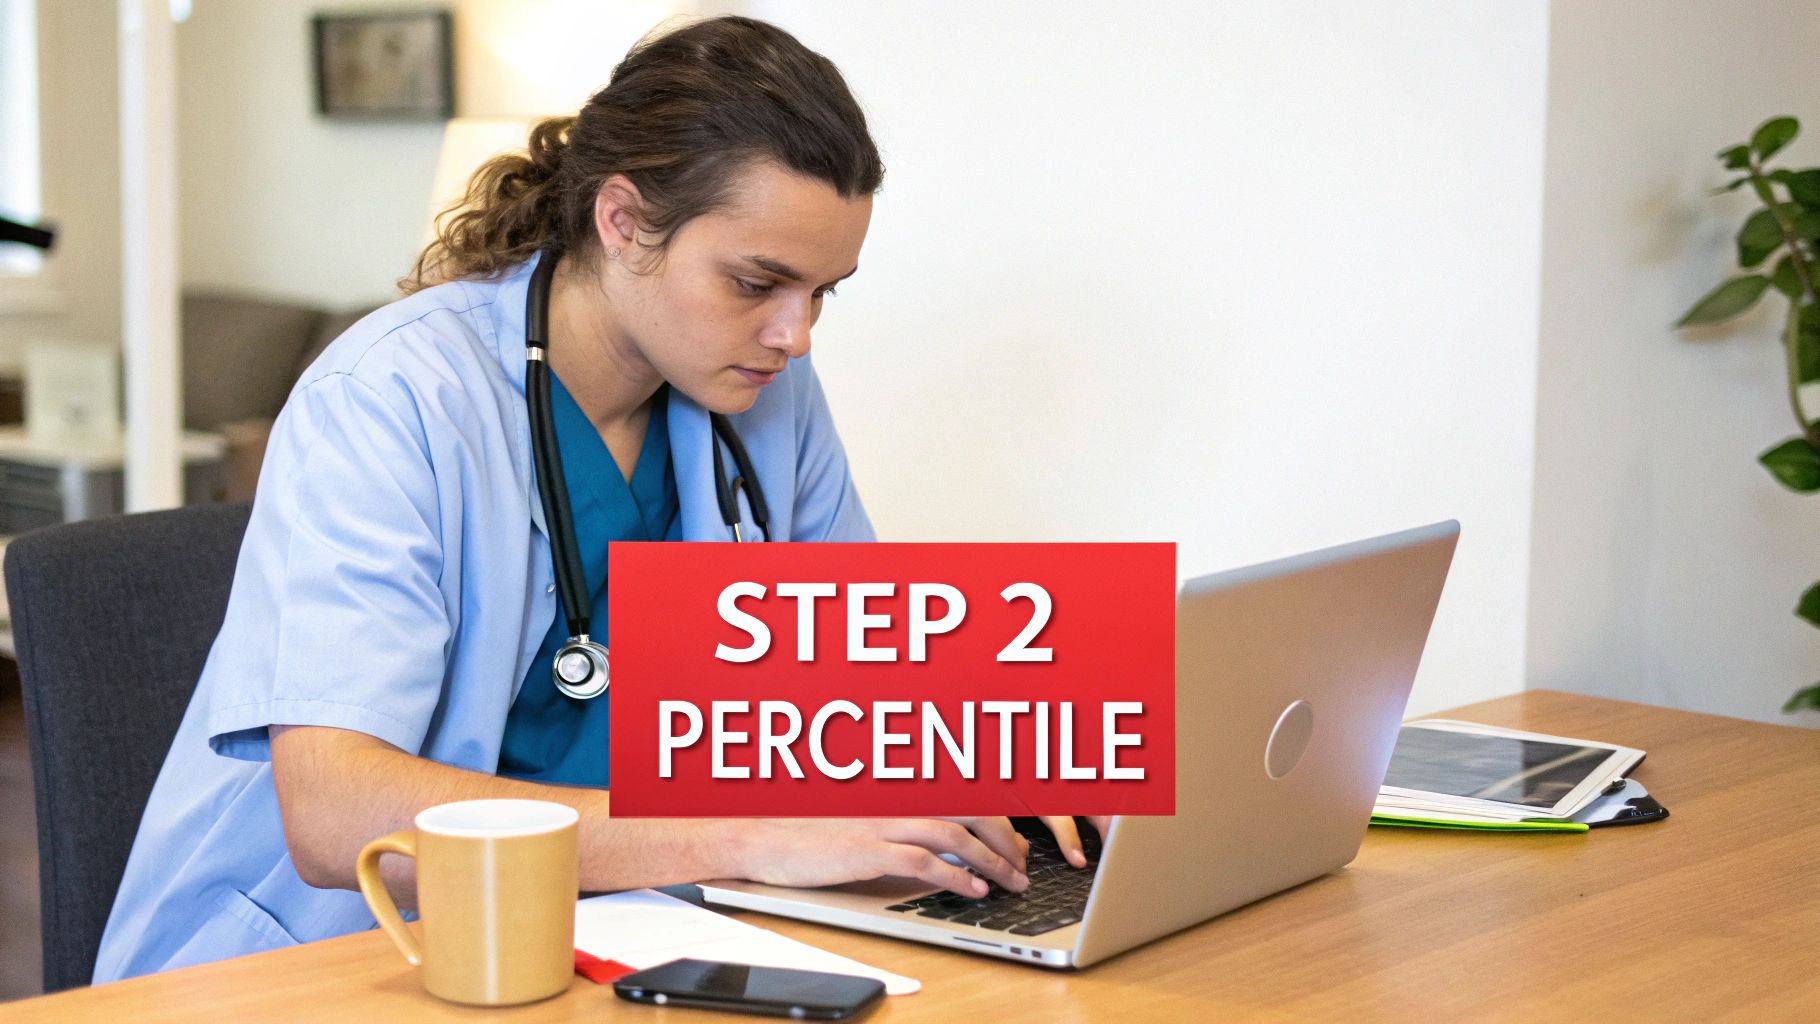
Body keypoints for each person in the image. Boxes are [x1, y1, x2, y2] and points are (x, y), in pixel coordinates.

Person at [93, 15, 1104, 983]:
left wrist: (997, 750)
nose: (794, 334)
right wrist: (756, 832)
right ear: (622, 222)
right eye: (757, 282)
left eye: (821, 291)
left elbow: (856, 668)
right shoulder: (393, 399)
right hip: (322, 961)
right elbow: (334, 815)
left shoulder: (766, 398)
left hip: (623, 930)